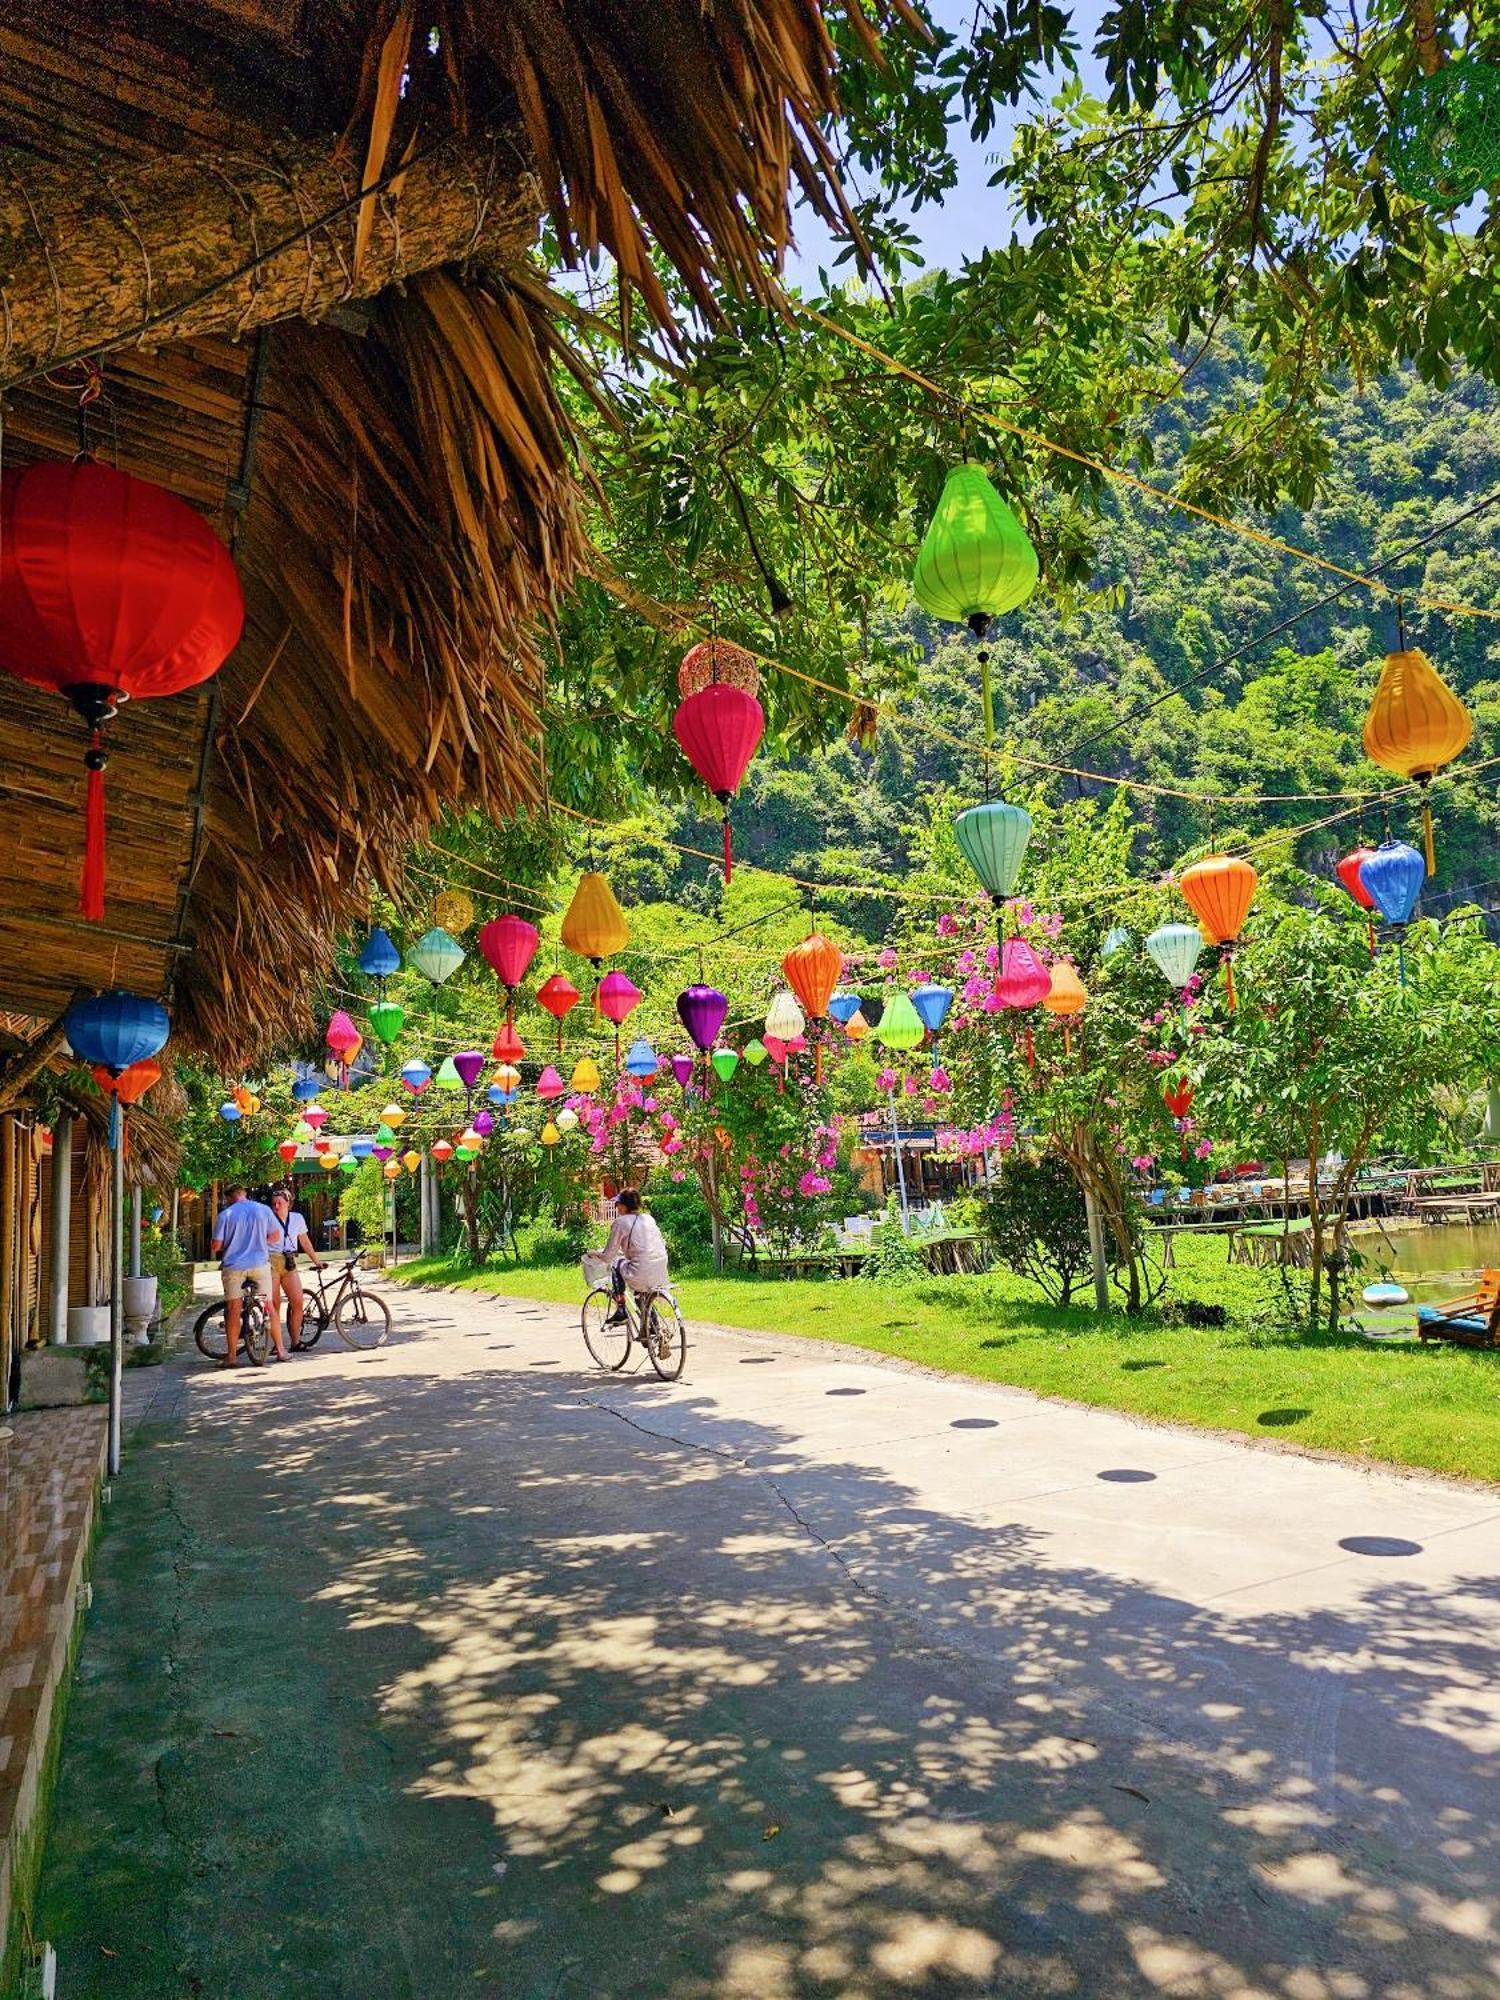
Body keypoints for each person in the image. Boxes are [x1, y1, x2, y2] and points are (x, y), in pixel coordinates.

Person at [210, 1183, 284, 1366]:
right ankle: (281, 1350)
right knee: (268, 1304)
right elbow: (275, 1236)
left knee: (234, 1308)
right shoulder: (263, 1210)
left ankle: (232, 1356)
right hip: (260, 1264)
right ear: (244, 1194)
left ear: (229, 1197)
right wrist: (259, 1242)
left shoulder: (225, 1215)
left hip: (234, 1266)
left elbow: (216, 1246)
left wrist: (232, 1243)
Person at [601, 1188, 670, 1327]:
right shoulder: (648, 1219)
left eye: (618, 1204)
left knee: (616, 1263)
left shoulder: (620, 1222)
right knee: (640, 1293)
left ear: (624, 1206)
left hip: (641, 1271)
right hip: (661, 1270)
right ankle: (653, 1327)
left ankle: (621, 1310)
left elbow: (608, 1256)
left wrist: (594, 1254)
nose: (616, 1207)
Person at [268, 1185, 324, 1351]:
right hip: (271, 1260)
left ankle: (295, 1341)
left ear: (288, 1204)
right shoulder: (268, 1218)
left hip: (289, 1260)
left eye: (280, 1203)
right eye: (274, 1204)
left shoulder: (297, 1218)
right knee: (275, 1303)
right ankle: (276, 1345)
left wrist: (316, 1261)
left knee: (298, 1301)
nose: (276, 1206)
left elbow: (304, 1241)